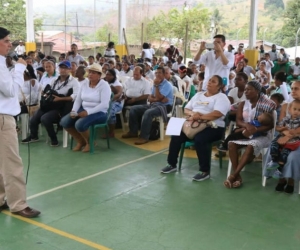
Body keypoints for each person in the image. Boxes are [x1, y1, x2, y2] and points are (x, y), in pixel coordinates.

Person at [0, 27, 40, 218]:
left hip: (3, 117)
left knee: (2, 163)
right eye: (6, 40)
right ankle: (18, 204)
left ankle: (1, 198)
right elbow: (10, 91)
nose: (10, 44)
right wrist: (20, 68)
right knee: (12, 162)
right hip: (2, 119)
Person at [160, 75, 230, 181]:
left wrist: (200, 117)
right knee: (176, 135)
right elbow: (186, 109)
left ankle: (204, 171)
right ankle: (171, 164)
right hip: (194, 123)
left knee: (200, 139)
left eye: (213, 82)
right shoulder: (199, 95)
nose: (210, 82)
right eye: (209, 80)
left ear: (219, 86)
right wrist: (193, 114)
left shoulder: (222, 97)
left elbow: (217, 114)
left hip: (213, 127)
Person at [223, 81, 276, 188]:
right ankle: (237, 175)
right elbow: (238, 121)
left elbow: (270, 125)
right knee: (231, 145)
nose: (246, 92)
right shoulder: (243, 103)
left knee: (250, 146)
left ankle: (233, 176)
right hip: (245, 131)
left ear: (257, 91)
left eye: (249, 90)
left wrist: (255, 129)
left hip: (262, 135)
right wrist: (247, 126)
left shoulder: (268, 104)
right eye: (245, 90)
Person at [22, 60, 79, 146]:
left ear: (70, 69)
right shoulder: (55, 80)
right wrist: (45, 94)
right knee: (33, 118)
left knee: (45, 118)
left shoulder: (74, 82)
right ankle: (34, 136)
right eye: (61, 68)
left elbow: (75, 96)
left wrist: (60, 99)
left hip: (61, 106)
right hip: (50, 104)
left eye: (65, 68)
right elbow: (49, 90)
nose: (63, 70)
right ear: (58, 69)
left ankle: (54, 139)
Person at [60, 63, 111, 152]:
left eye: (94, 73)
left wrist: (88, 112)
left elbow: (104, 104)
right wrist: (74, 110)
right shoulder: (84, 84)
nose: (90, 74)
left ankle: (90, 142)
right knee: (64, 122)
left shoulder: (104, 85)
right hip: (84, 109)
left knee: (79, 124)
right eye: (90, 72)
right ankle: (81, 141)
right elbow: (78, 100)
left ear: (99, 75)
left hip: (100, 112)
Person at [122, 67, 173, 145]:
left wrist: (156, 87)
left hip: (165, 107)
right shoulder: (155, 82)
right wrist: (157, 99)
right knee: (134, 109)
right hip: (155, 104)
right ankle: (133, 131)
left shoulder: (167, 85)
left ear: (163, 74)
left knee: (148, 113)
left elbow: (158, 97)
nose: (157, 74)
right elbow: (150, 97)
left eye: (159, 73)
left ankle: (144, 137)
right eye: (156, 73)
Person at [265, 81, 300, 194]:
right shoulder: (286, 105)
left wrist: (290, 136)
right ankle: (281, 179)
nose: (293, 91)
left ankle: (291, 181)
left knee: (292, 156)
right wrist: (286, 135)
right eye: (293, 88)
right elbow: (281, 125)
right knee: (275, 148)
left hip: (298, 138)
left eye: (296, 89)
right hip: (285, 134)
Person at [266, 99, 300, 178]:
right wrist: (282, 129)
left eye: (299, 110)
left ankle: (279, 170)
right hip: (282, 136)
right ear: (289, 110)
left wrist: (293, 133)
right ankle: (274, 161)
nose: (296, 112)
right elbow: (278, 127)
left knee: (285, 153)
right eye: (294, 109)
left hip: (293, 141)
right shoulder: (286, 119)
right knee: (273, 144)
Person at [104, 69, 123, 137]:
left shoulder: (117, 84)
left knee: (110, 111)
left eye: (109, 75)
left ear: (113, 76)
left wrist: (108, 100)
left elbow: (118, 95)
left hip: (116, 103)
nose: (107, 76)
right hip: (106, 101)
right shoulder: (105, 82)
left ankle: (111, 132)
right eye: (106, 74)